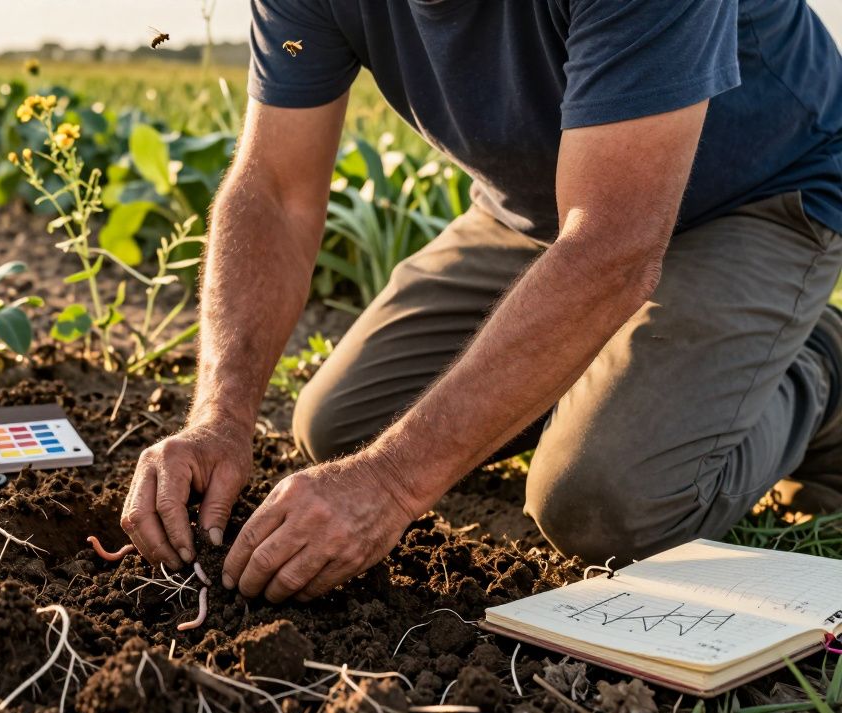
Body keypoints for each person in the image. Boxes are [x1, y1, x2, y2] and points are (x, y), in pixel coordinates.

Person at [121, 0, 842, 604]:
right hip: (541, 208)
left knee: (604, 507)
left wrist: (394, 483)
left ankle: (818, 366)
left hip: (756, 195)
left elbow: (614, 246)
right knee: (342, 428)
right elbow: (276, 189)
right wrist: (219, 417)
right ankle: (623, 378)